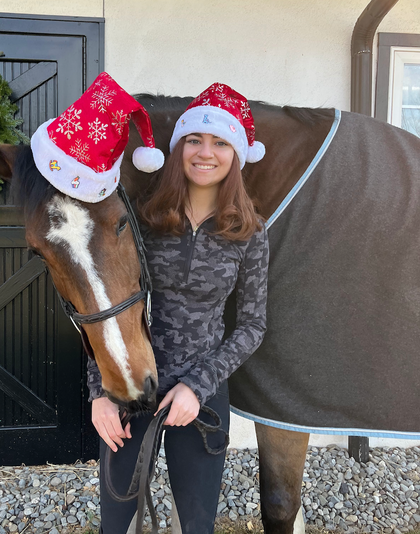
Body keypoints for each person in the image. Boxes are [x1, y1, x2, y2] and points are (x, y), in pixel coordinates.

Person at [88, 83, 269, 534]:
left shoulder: (249, 233)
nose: (205, 152)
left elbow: (251, 325)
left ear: (236, 154)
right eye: (194, 139)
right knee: (116, 520)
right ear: (177, 147)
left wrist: (197, 384)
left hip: (200, 395)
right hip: (129, 385)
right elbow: (104, 309)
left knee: (197, 521)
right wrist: (98, 393)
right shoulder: (142, 220)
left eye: (220, 142)